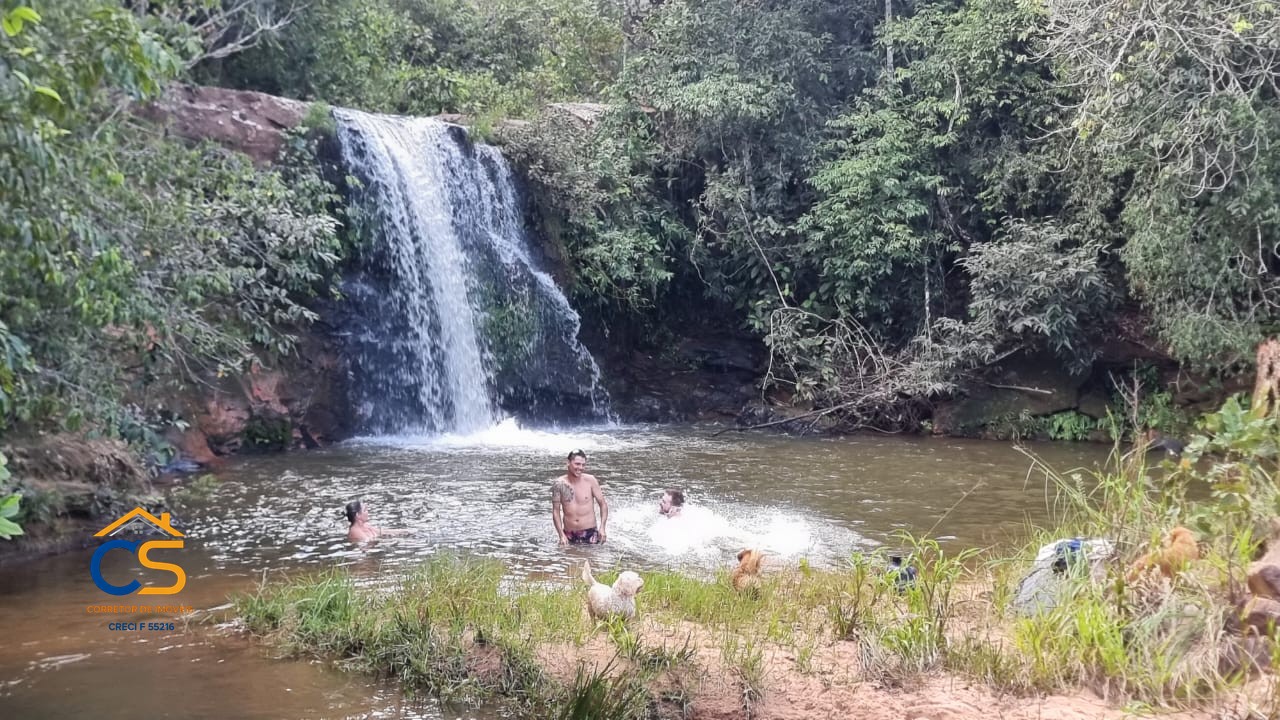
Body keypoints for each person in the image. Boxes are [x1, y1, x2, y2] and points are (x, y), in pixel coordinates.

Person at [551, 449, 608, 545]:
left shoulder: (591, 480)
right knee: (568, 559)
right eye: (577, 464)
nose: (580, 468)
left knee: (592, 559)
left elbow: (603, 505)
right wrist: (561, 535)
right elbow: (555, 511)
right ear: (568, 462)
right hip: (568, 534)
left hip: (590, 533)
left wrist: (602, 527)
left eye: (583, 465)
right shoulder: (559, 484)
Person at [344, 499, 410, 543]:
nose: (367, 512)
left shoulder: (366, 526)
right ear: (358, 515)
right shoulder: (355, 532)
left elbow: (382, 532)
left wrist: (404, 531)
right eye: (365, 510)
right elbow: (367, 543)